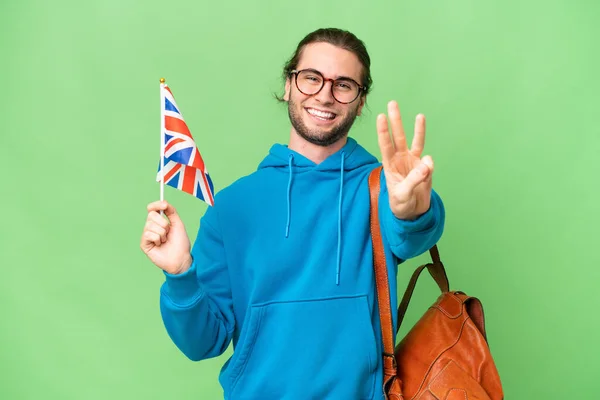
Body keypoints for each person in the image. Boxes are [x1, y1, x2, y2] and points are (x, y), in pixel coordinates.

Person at [141, 28, 445, 400]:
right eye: (311, 78)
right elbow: (202, 342)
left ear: (360, 101)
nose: (325, 95)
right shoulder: (232, 206)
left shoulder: (382, 188)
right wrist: (179, 275)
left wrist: (411, 209)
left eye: (344, 85)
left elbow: (414, 234)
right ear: (288, 85)